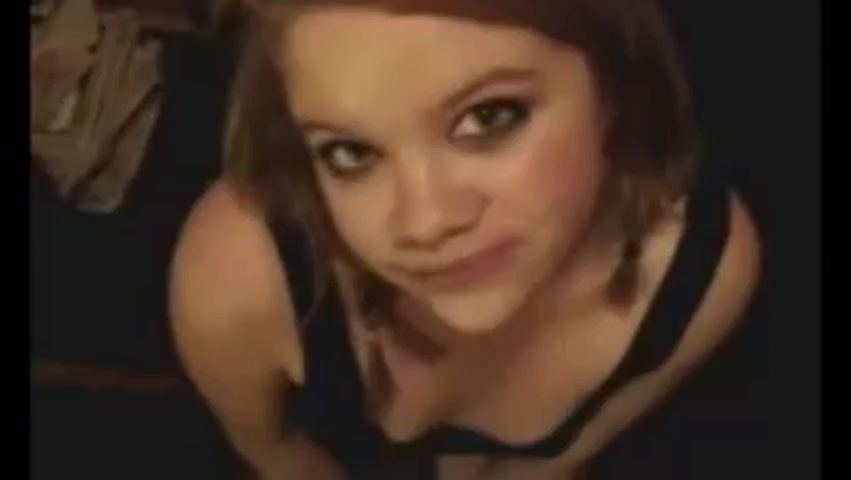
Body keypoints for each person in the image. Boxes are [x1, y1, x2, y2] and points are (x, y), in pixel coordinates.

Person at [168, 1, 763, 478]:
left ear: (615, 86)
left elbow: (550, 466)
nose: (424, 223)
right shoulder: (238, 276)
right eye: (350, 152)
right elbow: (277, 455)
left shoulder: (699, 275)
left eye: (489, 117)